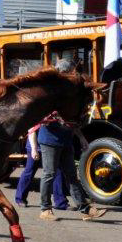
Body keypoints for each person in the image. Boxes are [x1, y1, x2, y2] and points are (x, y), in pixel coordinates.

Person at [38, 61, 107, 221]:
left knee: (71, 176)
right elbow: (40, 116)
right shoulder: (49, 91)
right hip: (49, 139)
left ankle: (85, 209)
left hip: (65, 138)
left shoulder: (68, 91)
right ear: (62, 73)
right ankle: (45, 210)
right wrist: (51, 117)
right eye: (70, 72)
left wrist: (81, 137)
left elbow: (71, 119)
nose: (73, 76)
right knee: (49, 174)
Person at [15, 124, 70, 209]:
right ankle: (20, 199)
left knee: (57, 171)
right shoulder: (39, 114)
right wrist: (34, 149)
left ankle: (60, 202)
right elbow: (32, 130)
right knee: (30, 170)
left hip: (49, 145)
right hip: (35, 145)